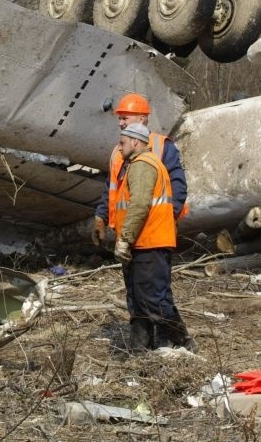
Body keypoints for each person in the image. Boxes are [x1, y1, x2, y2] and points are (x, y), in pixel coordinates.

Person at [92, 93, 191, 352]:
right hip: (133, 236)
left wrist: (167, 220)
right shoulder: (120, 150)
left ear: (142, 118)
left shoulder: (159, 147)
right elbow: (112, 189)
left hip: (150, 236)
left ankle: (177, 341)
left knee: (154, 295)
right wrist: (101, 217)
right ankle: (140, 349)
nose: (120, 123)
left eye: (125, 118)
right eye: (120, 119)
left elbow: (174, 189)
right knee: (137, 296)